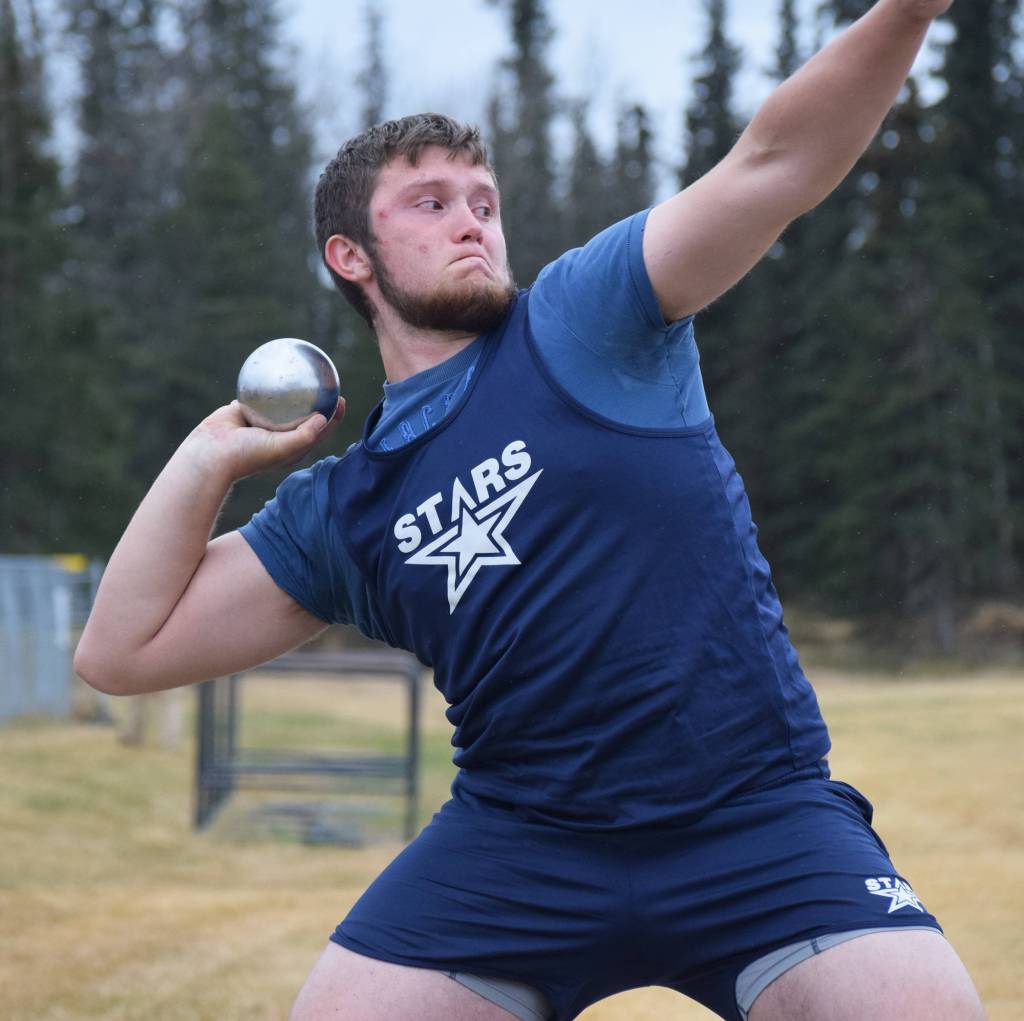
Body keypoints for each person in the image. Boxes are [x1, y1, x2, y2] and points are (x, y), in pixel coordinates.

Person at [76, 1, 988, 1018]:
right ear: (350, 257)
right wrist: (209, 456)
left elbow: (772, 161)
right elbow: (120, 652)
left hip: (754, 815)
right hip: (521, 844)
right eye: (427, 203)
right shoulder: (345, 507)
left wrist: (906, 12)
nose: (470, 218)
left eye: (482, 200)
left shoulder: (587, 319)